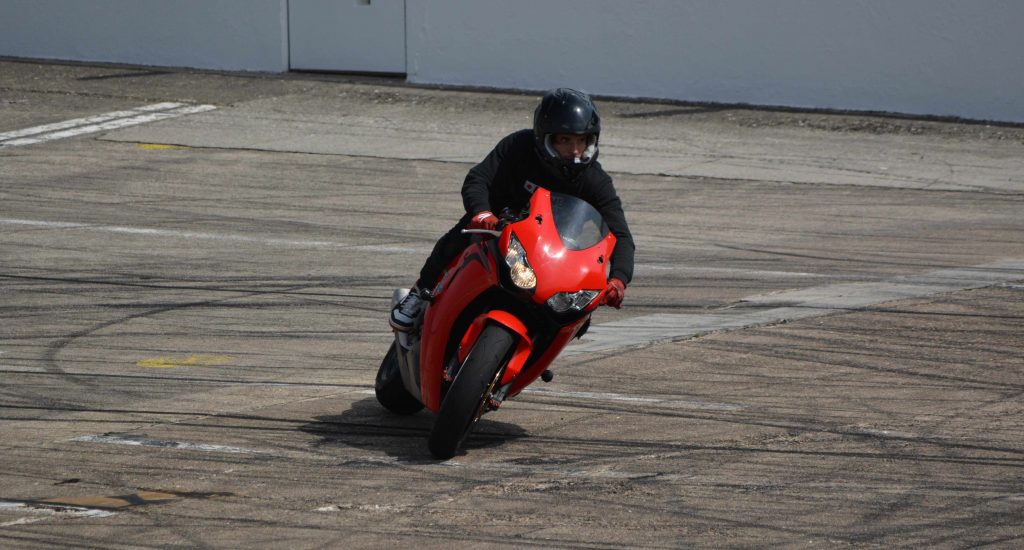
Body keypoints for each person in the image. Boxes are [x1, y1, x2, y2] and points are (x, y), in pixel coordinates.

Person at [390, 87, 635, 331]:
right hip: (498, 230)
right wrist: (483, 213)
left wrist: (619, 280)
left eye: (582, 140)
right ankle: (420, 293)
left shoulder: (595, 180)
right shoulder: (519, 146)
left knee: (579, 316)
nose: (574, 150)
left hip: (552, 253)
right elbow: (478, 179)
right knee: (459, 236)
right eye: (565, 140)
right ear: (545, 137)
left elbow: (621, 235)